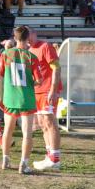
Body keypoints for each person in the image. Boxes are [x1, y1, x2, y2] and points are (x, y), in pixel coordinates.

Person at [0, 26, 39, 174]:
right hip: (26, 99)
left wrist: (1, 96)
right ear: (28, 39)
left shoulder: (5, 54)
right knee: (27, 133)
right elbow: (38, 80)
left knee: (8, 130)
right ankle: (24, 164)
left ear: (15, 38)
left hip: (10, 98)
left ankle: (5, 159)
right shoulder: (32, 57)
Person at [29, 28, 63, 171]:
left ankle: (55, 159)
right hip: (37, 91)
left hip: (47, 91)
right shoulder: (29, 50)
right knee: (43, 124)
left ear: (34, 34)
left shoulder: (45, 46)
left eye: (29, 34)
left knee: (50, 122)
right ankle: (49, 156)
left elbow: (56, 68)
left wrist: (53, 89)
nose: (27, 37)